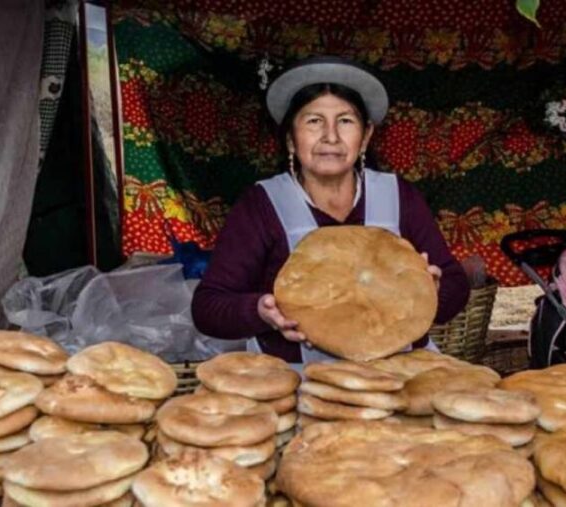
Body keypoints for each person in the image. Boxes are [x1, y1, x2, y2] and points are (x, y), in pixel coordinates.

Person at [191, 56, 470, 366]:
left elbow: (457, 286)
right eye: (314, 121)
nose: (331, 136)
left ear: (365, 137)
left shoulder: (398, 196)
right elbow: (208, 308)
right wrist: (260, 310)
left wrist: (434, 292)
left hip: (398, 383)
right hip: (299, 390)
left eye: (346, 121)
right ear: (290, 139)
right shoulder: (262, 205)